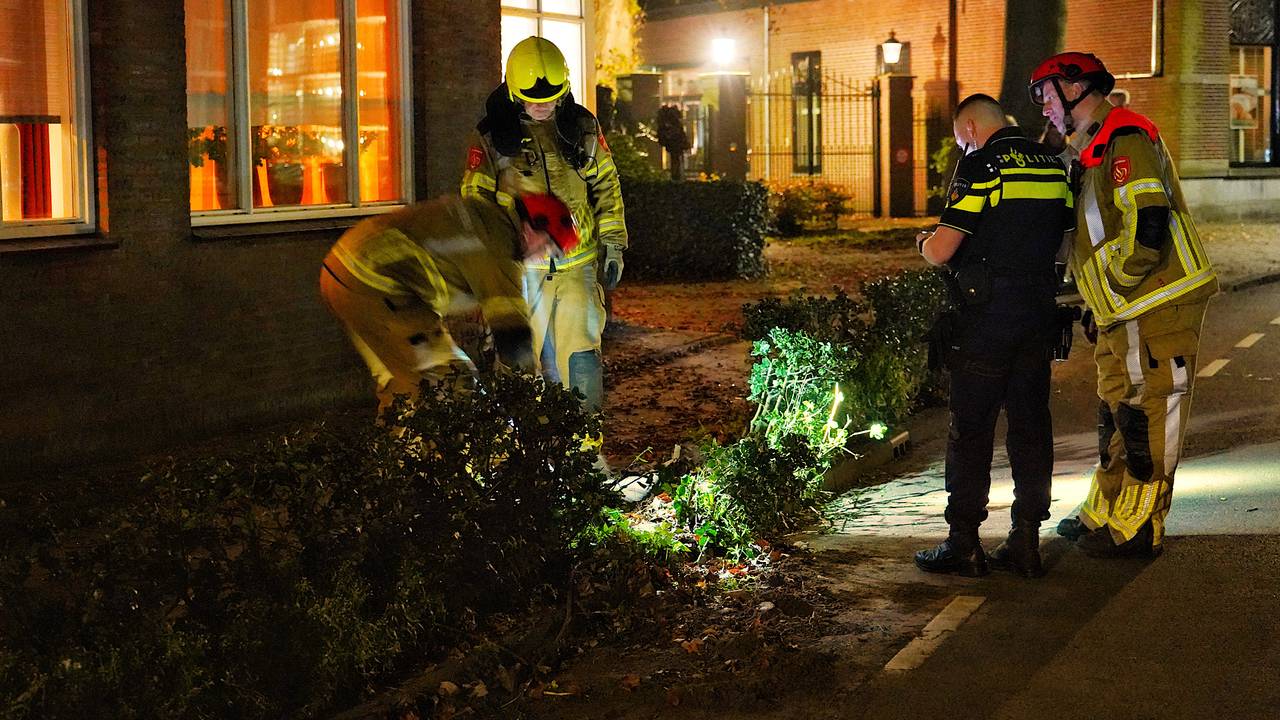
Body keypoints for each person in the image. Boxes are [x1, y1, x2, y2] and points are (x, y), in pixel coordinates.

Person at [1030, 52, 1218, 558]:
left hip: (1154, 302)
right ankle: (1109, 509)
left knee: (1150, 411)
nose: (1042, 107)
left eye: (1045, 94)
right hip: (1124, 308)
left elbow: (1147, 226)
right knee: (1119, 412)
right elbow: (1098, 232)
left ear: (1075, 89)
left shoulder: (1124, 137)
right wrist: (1099, 303)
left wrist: (1114, 286)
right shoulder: (1091, 148)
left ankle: (1140, 525)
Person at [913, 94, 1076, 578]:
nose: (961, 144)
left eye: (961, 136)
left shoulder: (982, 165)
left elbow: (944, 250)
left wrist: (924, 243)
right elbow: (1064, 236)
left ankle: (964, 542)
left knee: (972, 430)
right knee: (1030, 428)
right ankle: (1026, 539)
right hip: (1037, 316)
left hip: (984, 320)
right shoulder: (1051, 165)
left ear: (969, 125)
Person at [461, 36, 627, 430]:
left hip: (578, 266)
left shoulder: (581, 127)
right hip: (522, 272)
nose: (542, 106)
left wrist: (613, 243)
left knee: (582, 357)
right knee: (518, 364)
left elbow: (606, 184)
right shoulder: (490, 136)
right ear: (514, 92)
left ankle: (584, 452)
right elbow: (475, 202)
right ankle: (520, 454)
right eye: (533, 100)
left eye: (551, 99)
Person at [319, 193, 579, 414]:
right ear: (531, 228)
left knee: (403, 382)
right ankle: (423, 467)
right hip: (373, 283)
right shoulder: (501, 247)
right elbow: (514, 338)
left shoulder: (486, 218)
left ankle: (402, 463)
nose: (542, 257)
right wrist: (528, 406)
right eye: (547, 247)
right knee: (448, 381)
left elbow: (449, 259)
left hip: (346, 271)